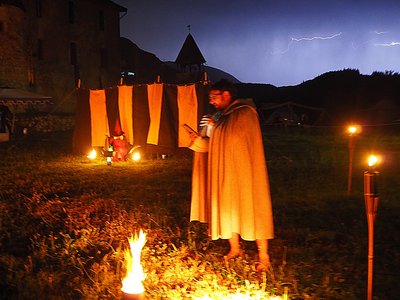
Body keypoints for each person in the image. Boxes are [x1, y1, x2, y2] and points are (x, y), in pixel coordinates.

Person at [188, 79, 274, 272]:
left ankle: (263, 256)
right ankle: (235, 248)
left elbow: (233, 138)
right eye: (209, 97)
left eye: (214, 97)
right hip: (225, 171)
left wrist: (215, 127)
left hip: (245, 173)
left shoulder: (244, 113)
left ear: (226, 95)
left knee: (253, 209)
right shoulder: (220, 116)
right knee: (227, 208)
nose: (211, 101)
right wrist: (199, 139)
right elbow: (214, 145)